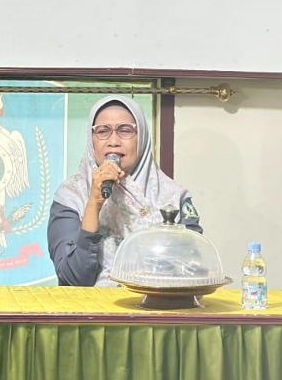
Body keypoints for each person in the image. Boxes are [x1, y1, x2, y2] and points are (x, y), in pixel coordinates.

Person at [47, 95, 201, 287]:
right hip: (93, 305)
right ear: (91, 139)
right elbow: (73, 279)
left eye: (125, 130)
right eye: (103, 131)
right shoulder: (71, 196)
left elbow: (194, 271)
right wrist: (93, 204)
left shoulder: (174, 198)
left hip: (159, 305)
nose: (113, 141)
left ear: (142, 138)